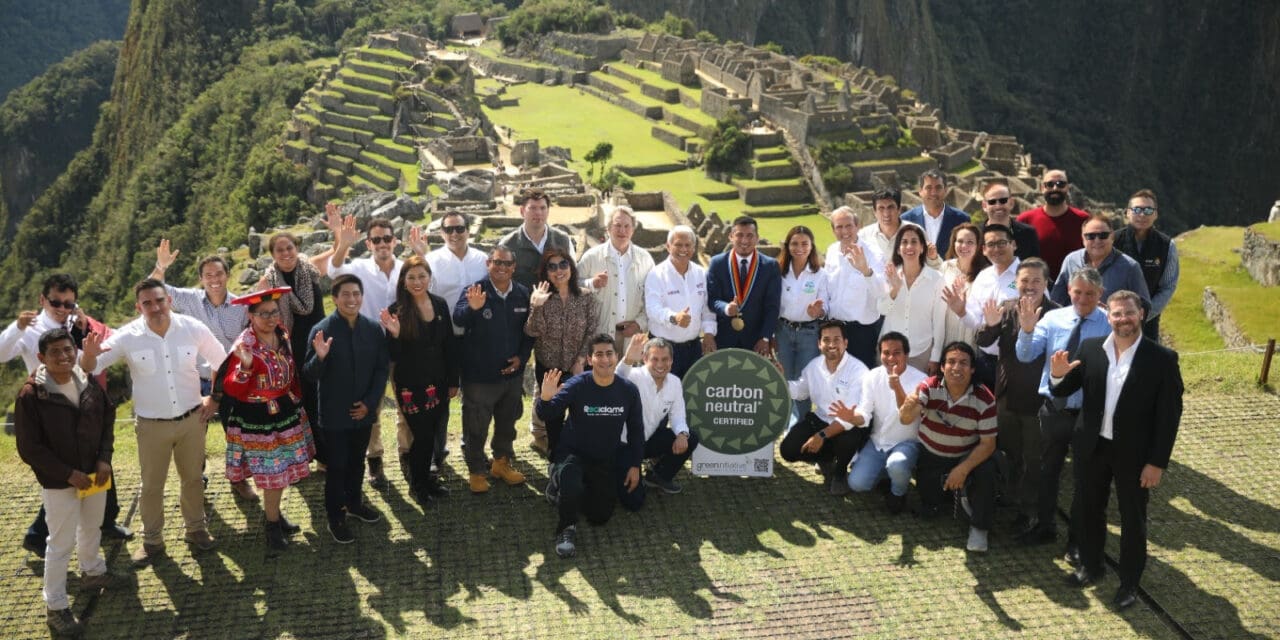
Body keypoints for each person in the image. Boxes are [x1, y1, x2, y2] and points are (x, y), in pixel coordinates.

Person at [80, 279, 227, 566]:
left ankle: (196, 529)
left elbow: (223, 361)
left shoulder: (192, 327)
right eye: (147, 303)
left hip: (192, 419)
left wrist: (216, 398)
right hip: (151, 426)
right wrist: (88, 353)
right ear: (139, 307)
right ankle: (152, 541)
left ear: (169, 301)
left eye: (159, 300)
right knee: (150, 486)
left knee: (194, 479)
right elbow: (92, 367)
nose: (155, 307)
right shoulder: (128, 335)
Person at [1052, 290, 1183, 609]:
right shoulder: (1091, 349)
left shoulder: (1162, 359)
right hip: (1092, 446)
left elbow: (1169, 416)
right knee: (1088, 509)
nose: (1123, 319)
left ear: (1141, 313)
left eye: (1129, 312)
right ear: (1106, 315)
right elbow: (1065, 389)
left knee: (1132, 518)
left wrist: (1156, 462)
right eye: (1116, 313)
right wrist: (1057, 374)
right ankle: (1092, 567)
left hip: (1135, 455)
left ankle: (1128, 583)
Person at [1, 274, 131, 556]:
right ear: (42, 300)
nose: (62, 309)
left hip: (83, 401)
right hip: (52, 409)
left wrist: (83, 331)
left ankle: (106, 519)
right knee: (64, 477)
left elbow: (88, 363)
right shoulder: (30, 329)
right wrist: (17, 327)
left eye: (68, 304)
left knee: (99, 460)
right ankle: (39, 535)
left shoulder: (75, 323)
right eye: (56, 302)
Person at [15, 328, 115, 637]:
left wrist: (104, 458)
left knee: (92, 527)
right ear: (42, 357)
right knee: (59, 543)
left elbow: (107, 419)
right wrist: (67, 473)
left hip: (94, 474)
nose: (65, 356)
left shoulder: (86, 381)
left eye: (68, 349)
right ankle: (56, 606)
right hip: (60, 483)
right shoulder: (32, 394)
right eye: (56, 352)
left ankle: (93, 572)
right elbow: (30, 448)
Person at [328, 214, 428, 489]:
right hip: (368, 348)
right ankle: (375, 459)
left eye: (387, 238)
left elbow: (427, 283)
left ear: (395, 241)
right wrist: (342, 245)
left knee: (406, 403)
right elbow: (333, 273)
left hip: (402, 344)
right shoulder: (358, 267)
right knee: (369, 406)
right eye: (376, 239)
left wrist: (422, 255)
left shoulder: (405, 268)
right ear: (368, 243)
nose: (382, 244)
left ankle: (406, 454)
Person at [151, 241, 255, 500]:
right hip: (197, 379)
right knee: (194, 436)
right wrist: (160, 267)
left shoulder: (242, 305)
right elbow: (152, 291)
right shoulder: (189, 300)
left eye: (219, 274)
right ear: (200, 279)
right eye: (208, 275)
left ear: (227, 275)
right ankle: (197, 481)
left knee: (237, 432)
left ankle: (239, 480)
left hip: (232, 379)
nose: (214, 280)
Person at [1015, 267, 1111, 551]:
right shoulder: (1053, 318)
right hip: (1054, 410)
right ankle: (1045, 526)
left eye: (1090, 294)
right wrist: (1027, 329)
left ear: (1100, 295)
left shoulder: (1108, 324)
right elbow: (1025, 354)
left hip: (1087, 414)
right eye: (1078, 292)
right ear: (1068, 291)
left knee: (1084, 479)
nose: (1082, 298)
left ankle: (1077, 541)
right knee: (1047, 472)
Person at [221, 289, 315, 552]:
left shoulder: (281, 334)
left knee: (281, 471)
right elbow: (232, 388)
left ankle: (274, 516)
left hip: (283, 410)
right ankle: (272, 526)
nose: (270, 318)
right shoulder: (244, 345)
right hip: (257, 418)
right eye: (263, 314)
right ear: (250, 316)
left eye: (274, 312)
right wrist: (247, 368)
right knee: (273, 473)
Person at [536, 335, 644, 558]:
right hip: (573, 453)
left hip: (603, 457)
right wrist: (545, 399)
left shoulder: (628, 391)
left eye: (609, 354)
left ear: (617, 357)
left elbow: (636, 431)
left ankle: (566, 489)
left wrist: (635, 465)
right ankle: (566, 528)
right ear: (589, 359)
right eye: (599, 354)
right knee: (572, 481)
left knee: (599, 516)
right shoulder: (578, 385)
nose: (605, 359)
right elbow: (548, 413)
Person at [303, 274, 390, 544]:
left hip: (364, 412)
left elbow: (380, 370)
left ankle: (354, 504)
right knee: (337, 466)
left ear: (361, 297)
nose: (352, 299)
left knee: (357, 463)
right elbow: (309, 374)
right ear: (335, 298)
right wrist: (320, 357)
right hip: (334, 415)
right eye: (345, 295)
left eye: (356, 294)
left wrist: (370, 403)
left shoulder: (373, 329)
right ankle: (335, 516)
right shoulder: (322, 330)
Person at [974, 258, 1060, 531]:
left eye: (1036, 281)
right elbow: (984, 342)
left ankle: (1029, 512)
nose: (1029, 286)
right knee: (1011, 452)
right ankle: (1010, 499)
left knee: (1034, 458)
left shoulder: (1057, 315)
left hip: (1038, 400)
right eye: (1024, 281)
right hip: (1007, 396)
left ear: (1046, 284)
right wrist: (989, 325)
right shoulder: (1007, 309)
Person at [900, 341, 999, 553]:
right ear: (942, 367)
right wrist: (907, 407)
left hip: (966, 457)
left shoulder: (985, 398)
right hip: (931, 457)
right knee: (930, 506)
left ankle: (979, 528)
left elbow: (988, 444)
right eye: (951, 362)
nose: (956, 368)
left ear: (973, 369)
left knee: (987, 470)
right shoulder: (928, 387)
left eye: (964, 363)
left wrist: (962, 469)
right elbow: (906, 419)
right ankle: (945, 496)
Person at [381, 256, 460, 508]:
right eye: (411, 277)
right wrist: (394, 335)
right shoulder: (397, 311)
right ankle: (418, 484)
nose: (417, 282)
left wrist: (453, 379)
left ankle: (427, 480)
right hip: (411, 385)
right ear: (404, 281)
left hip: (437, 380)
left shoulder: (439, 304)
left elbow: (449, 344)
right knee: (422, 436)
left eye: (422, 276)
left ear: (429, 278)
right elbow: (393, 355)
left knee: (434, 433)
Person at [454, 246, 534, 494]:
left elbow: (529, 332)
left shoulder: (522, 293)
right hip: (480, 377)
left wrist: (521, 358)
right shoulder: (475, 290)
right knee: (476, 425)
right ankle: (477, 470)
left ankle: (501, 463)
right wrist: (472, 308)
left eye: (506, 264)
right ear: (488, 264)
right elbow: (458, 319)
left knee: (507, 424)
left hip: (511, 376)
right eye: (496, 263)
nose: (501, 268)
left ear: (513, 268)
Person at [259, 231, 331, 471]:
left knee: (327, 398)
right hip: (292, 349)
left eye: (289, 247)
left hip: (320, 343)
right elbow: (257, 311)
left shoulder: (310, 269)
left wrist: (342, 238)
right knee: (304, 403)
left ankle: (329, 454)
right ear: (273, 255)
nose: (286, 253)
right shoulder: (268, 281)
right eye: (279, 250)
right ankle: (310, 457)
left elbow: (337, 254)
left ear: (296, 247)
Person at [425, 211, 488, 478]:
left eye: (459, 229)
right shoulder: (432, 261)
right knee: (439, 398)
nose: (454, 234)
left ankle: (472, 446)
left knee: (474, 398)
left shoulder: (483, 260)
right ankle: (436, 453)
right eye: (449, 230)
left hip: (475, 338)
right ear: (441, 233)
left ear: (468, 230)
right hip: (443, 340)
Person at [777, 321, 871, 496]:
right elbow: (800, 391)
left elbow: (848, 418)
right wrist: (779, 379)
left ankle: (840, 473)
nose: (832, 345)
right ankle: (825, 459)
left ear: (846, 343)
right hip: (820, 420)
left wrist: (821, 436)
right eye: (826, 340)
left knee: (848, 438)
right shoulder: (814, 366)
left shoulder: (859, 371)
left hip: (847, 425)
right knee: (787, 450)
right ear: (819, 344)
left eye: (837, 339)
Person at [525, 248, 599, 456]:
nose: (559, 271)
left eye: (563, 264)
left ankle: (577, 454)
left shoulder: (586, 297)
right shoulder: (542, 298)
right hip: (549, 368)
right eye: (552, 267)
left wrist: (581, 360)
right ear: (546, 272)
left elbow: (592, 330)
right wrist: (536, 306)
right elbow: (532, 330)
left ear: (571, 268)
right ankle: (555, 455)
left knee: (579, 413)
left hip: (578, 366)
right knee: (553, 416)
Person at [846, 332, 927, 512]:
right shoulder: (872, 376)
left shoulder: (921, 380)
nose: (891, 358)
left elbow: (906, 417)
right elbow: (864, 413)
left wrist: (896, 386)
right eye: (885, 353)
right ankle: (887, 475)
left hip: (907, 443)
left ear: (906, 354)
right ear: (879, 354)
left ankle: (898, 492)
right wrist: (852, 417)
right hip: (877, 442)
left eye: (897, 352)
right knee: (856, 484)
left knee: (896, 465)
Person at [615, 333, 699, 501]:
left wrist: (682, 434)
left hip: (647, 441)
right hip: (623, 446)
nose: (660, 365)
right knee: (634, 501)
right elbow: (615, 380)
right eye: (655, 359)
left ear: (672, 361)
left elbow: (678, 415)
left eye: (665, 359)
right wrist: (627, 360)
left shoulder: (674, 382)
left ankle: (658, 477)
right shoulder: (634, 376)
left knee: (691, 437)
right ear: (645, 358)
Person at [954, 223, 1022, 389]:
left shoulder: (1028, 274)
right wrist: (961, 311)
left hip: (1018, 361)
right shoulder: (984, 277)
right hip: (986, 359)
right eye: (991, 244)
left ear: (1013, 244)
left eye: (1001, 243)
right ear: (983, 249)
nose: (996, 249)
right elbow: (976, 323)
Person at [644, 225, 717, 378]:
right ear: (668, 246)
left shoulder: (700, 273)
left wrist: (709, 333)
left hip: (693, 349)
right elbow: (652, 309)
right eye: (678, 244)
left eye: (688, 245)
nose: (683, 249)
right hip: (662, 349)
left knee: (691, 396)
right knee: (662, 395)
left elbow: (707, 309)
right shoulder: (656, 274)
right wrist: (674, 318)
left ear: (694, 247)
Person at [577, 205, 655, 343]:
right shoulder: (591, 257)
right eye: (617, 225)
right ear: (608, 229)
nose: (622, 231)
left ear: (633, 230)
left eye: (627, 226)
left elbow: (654, 297)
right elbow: (572, 286)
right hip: (599, 338)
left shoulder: (646, 260)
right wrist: (591, 283)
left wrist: (640, 324)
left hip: (632, 339)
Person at [707, 215, 781, 357]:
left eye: (750, 235)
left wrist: (765, 337)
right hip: (723, 338)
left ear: (757, 237)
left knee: (752, 379)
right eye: (739, 235)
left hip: (756, 341)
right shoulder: (717, 263)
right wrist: (726, 308)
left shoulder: (770, 266)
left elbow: (772, 307)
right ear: (731, 236)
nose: (745, 240)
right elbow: (712, 299)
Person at [776, 225, 829, 421]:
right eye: (795, 243)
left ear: (811, 246)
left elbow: (826, 307)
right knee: (786, 378)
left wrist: (818, 311)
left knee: (804, 381)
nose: (799, 247)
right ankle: (787, 421)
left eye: (804, 243)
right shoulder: (779, 272)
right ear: (788, 246)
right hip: (783, 331)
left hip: (809, 333)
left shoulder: (820, 274)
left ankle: (801, 424)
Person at [1112, 190, 1179, 340]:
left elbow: (1168, 286)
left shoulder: (1167, 246)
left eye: (1148, 210)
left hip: (1148, 321)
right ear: (1127, 213)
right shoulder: (1112, 241)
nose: (1142, 215)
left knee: (1148, 362)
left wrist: (1144, 314)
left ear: (1155, 214)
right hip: (1111, 320)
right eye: (1137, 209)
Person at [879, 224, 946, 374]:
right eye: (904, 242)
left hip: (922, 352)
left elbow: (939, 321)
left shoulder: (937, 279)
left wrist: (935, 357)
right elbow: (882, 310)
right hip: (890, 352)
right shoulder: (889, 275)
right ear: (898, 249)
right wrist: (895, 289)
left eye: (914, 242)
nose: (909, 246)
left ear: (922, 248)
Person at [1051, 214, 1150, 312]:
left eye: (1103, 235)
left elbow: (1143, 307)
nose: (1097, 240)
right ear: (1083, 239)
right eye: (1091, 236)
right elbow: (1057, 300)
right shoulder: (1071, 260)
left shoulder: (1130, 267)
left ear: (1112, 236)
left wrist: (1111, 313)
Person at [823, 207, 883, 368]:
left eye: (848, 225)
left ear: (858, 226)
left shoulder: (873, 253)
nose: (844, 231)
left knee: (862, 379)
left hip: (862, 331)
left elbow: (881, 291)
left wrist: (865, 270)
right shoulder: (831, 251)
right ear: (833, 230)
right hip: (835, 329)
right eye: (839, 227)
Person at [1016, 169, 1089, 280]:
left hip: (1074, 290)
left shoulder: (1083, 220)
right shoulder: (1025, 220)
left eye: (1061, 184)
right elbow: (1015, 259)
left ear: (1067, 188)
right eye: (1049, 184)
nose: (1055, 188)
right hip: (1036, 289)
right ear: (1042, 188)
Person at [499, 187, 576, 289]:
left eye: (543, 208)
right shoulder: (507, 245)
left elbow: (573, 276)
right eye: (533, 208)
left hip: (557, 303)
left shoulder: (563, 240)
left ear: (548, 211)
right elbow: (500, 282)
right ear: (522, 211)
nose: (538, 212)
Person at [900, 169, 971, 268]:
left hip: (951, 279)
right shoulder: (906, 220)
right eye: (928, 188)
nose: (933, 192)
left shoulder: (962, 219)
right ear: (920, 191)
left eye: (938, 187)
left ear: (945, 190)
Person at [938, 223, 989, 349]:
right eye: (960, 241)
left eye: (970, 242)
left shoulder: (987, 273)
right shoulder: (946, 267)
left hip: (972, 338)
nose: (964, 246)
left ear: (978, 246)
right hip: (946, 334)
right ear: (953, 243)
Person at [979, 181, 1040, 260]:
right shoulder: (976, 235)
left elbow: (1035, 266)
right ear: (984, 206)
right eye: (992, 202)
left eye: (1003, 200)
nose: (998, 206)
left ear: (1011, 203)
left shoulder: (1028, 233)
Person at [853, 189, 903, 273]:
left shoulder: (915, 233)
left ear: (899, 209)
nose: (886, 213)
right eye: (881, 208)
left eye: (890, 207)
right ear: (874, 212)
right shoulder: (863, 236)